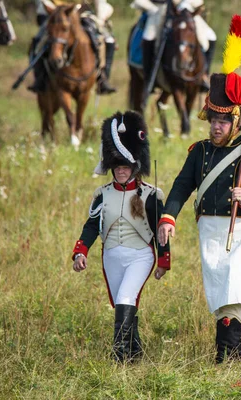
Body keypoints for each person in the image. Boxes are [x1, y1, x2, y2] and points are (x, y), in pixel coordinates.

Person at [157, 16, 241, 363]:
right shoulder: (199, 152)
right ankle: (225, 354)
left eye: (223, 120)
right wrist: (169, 215)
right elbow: (183, 185)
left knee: (235, 289)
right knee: (218, 293)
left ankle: (230, 357)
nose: (216, 126)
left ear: (237, 120)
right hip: (210, 229)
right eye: (213, 120)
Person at [71, 111, 170, 363]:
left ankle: (120, 357)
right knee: (121, 304)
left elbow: (161, 230)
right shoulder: (101, 194)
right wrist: (81, 251)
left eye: (126, 166)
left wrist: (164, 260)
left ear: (135, 166)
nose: (122, 171)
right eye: (117, 166)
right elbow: (92, 225)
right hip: (111, 255)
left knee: (126, 297)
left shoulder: (150, 195)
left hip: (140, 255)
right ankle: (135, 352)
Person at [30, 0, 117, 94]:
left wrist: (100, 17)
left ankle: (103, 79)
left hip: (82, 13)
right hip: (55, 14)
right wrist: (54, 10)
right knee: (39, 41)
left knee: (109, 41)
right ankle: (40, 78)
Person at [131, 0, 217, 91]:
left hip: (187, 10)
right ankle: (149, 78)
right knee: (149, 37)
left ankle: (204, 76)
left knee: (211, 36)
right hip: (159, 10)